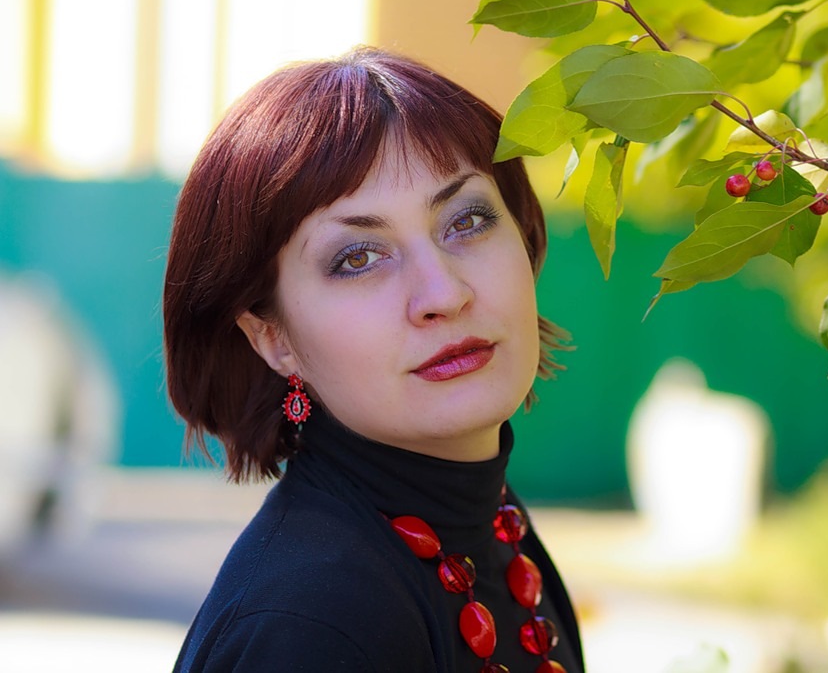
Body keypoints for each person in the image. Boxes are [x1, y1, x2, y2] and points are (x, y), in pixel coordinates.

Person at [163, 47, 584, 672]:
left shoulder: (491, 523)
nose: (443, 294)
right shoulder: (313, 623)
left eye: (467, 220)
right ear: (273, 337)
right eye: (358, 258)